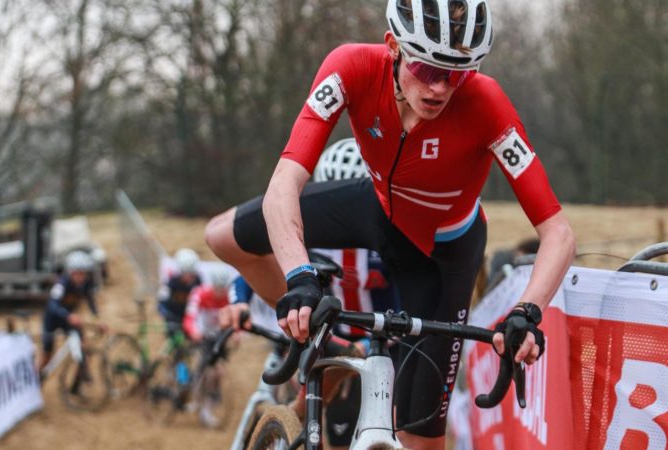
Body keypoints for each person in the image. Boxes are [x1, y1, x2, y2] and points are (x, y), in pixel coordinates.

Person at [204, 1, 575, 447]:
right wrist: (299, 278)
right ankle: (329, 343)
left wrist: (527, 311)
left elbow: (557, 231)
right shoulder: (351, 67)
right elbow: (285, 180)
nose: (439, 87)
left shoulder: (486, 102)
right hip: (376, 208)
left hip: (443, 257)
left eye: (456, 74)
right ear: (393, 46)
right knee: (223, 237)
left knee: (418, 438)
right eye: (426, 68)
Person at [182, 267, 233, 428]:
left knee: (217, 373)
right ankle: (196, 398)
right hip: (201, 335)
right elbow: (190, 316)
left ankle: (207, 405)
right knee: (202, 368)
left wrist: (237, 334)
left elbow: (235, 319)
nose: (219, 293)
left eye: (222, 289)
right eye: (217, 288)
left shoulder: (229, 297)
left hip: (217, 337)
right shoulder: (199, 294)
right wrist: (193, 331)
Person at [38, 250, 103, 377]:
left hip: (68, 320)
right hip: (52, 319)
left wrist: (98, 319)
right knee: (47, 354)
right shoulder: (62, 284)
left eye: (84, 273)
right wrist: (67, 315)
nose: (81, 277)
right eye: (78, 273)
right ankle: (38, 375)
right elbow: (52, 304)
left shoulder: (85, 284)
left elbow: (91, 301)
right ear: (71, 272)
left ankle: (81, 375)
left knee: (83, 345)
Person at [158, 248, 203, 337]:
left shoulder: (198, 281)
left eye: (192, 274)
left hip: (189, 316)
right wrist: (167, 315)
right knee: (175, 340)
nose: (190, 278)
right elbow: (161, 302)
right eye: (187, 274)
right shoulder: (171, 283)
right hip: (173, 316)